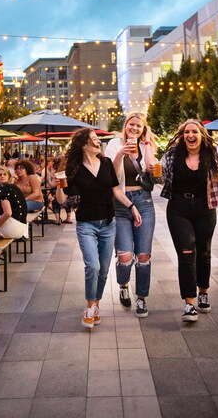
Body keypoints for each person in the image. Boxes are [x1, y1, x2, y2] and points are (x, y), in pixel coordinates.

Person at [56, 128, 141, 329]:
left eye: (97, 139)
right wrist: (59, 185)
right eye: (93, 140)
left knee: (103, 270)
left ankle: (96, 305)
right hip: (86, 224)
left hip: (108, 224)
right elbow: (62, 200)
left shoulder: (106, 163)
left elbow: (116, 191)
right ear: (84, 144)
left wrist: (132, 206)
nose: (97, 142)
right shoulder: (73, 167)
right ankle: (90, 306)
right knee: (92, 266)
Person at [161, 119, 218, 322]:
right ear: (182, 136)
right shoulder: (172, 156)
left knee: (204, 251)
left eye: (194, 132)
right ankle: (189, 303)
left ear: (201, 135)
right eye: (186, 132)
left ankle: (203, 291)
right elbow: (157, 174)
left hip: (205, 208)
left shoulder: (211, 156)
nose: (190, 135)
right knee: (186, 251)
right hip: (178, 208)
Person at [105, 112, 157, 317]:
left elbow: (154, 173)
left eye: (139, 126)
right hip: (119, 203)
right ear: (125, 126)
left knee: (143, 255)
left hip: (144, 201)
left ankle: (142, 298)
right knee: (125, 256)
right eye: (131, 125)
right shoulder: (113, 144)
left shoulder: (146, 145)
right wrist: (121, 154)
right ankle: (123, 284)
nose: (134, 128)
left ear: (143, 128)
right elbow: (110, 174)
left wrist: (150, 151)